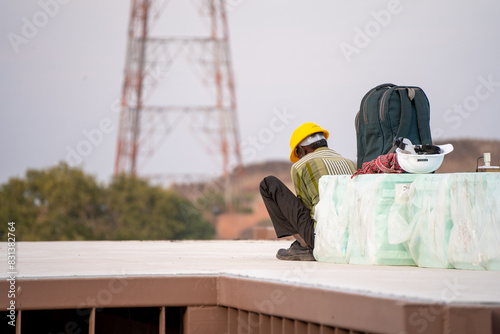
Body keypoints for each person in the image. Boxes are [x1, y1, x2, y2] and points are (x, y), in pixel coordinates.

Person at [259, 122, 356, 261]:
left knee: (268, 184)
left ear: (302, 150)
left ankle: (304, 246)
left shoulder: (301, 165)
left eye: (298, 154)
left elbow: (304, 208)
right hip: (352, 238)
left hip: (323, 239)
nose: (299, 158)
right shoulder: (350, 163)